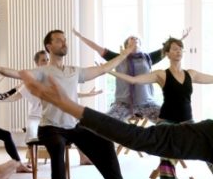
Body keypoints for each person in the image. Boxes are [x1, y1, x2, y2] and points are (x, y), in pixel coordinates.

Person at [0, 29, 145, 179]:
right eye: (59, 40)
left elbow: (103, 69)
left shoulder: (74, 71)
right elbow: (19, 74)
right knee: (57, 147)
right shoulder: (43, 71)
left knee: (105, 143)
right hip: (50, 127)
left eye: (64, 40)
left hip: (73, 126)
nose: (64, 43)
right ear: (49, 47)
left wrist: (126, 52)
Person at [19, 69, 213, 166]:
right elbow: (140, 137)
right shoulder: (208, 133)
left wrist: (68, 106)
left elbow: (140, 138)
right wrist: (69, 106)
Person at [109, 37, 213, 179]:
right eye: (174, 49)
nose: (178, 51)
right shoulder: (161, 75)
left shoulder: (191, 74)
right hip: (167, 121)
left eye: (180, 48)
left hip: (187, 121)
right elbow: (135, 80)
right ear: (167, 53)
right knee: (168, 141)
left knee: (207, 139)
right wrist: (110, 72)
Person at [73, 28, 191, 121]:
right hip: (123, 104)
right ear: (126, 45)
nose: (135, 39)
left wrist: (181, 39)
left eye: (137, 39)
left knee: (170, 119)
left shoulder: (148, 58)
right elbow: (97, 48)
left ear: (140, 44)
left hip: (147, 103)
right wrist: (80, 37)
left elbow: (168, 48)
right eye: (131, 38)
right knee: (105, 122)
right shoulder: (118, 58)